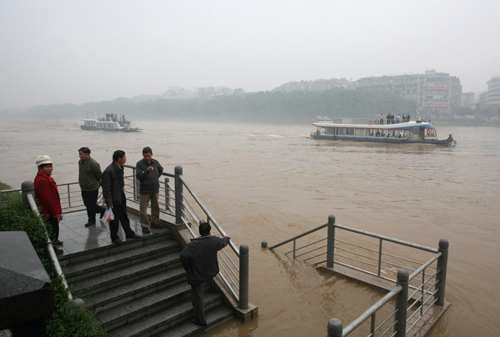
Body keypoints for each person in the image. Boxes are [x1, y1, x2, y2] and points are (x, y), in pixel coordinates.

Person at [180, 222, 231, 326]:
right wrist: (227, 238)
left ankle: (200, 320)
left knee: (197, 296)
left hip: (197, 274)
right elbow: (223, 242)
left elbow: (183, 256)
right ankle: (200, 318)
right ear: (209, 231)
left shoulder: (193, 245)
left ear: (200, 232)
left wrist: (188, 268)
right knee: (198, 294)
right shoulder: (214, 240)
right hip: (210, 271)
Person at [102, 150, 141, 245]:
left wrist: (122, 186)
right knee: (114, 219)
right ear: (119, 159)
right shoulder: (109, 170)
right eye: (124, 157)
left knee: (124, 215)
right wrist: (109, 201)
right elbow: (106, 188)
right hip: (113, 198)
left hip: (120, 195)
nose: (125, 159)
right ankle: (114, 237)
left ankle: (129, 232)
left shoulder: (120, 167)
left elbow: (120, 180)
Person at [34, 155, 63, 247]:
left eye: (51, 166)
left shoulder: (46, 178)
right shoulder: (42, 181)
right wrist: (55, 212)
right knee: (52, 228)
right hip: (48, 212)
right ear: (40, 168)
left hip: (51, 210)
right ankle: (53, 247)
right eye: (47, 167)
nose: (50, 169)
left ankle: (55, 241)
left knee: (54, 228)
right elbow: (48, 199)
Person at [136, 147, 164, 233]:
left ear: (152, 154)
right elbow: (139, 176)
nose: (147, 157)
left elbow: (161, 169)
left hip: (155, 188)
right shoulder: (140, 164)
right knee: (143, 209)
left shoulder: (155, 162)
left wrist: (156, 177)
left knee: (155, 207)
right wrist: (147, 171)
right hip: (145, 190)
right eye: (145, 156)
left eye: (148, 155)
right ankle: (144, 225)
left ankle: (155, 222)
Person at [78, 147, 106, 227]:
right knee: (87, 203)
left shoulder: (93, 164)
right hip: (84, 187)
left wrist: (96, 183)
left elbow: (99, 175)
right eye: (79, 154)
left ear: (87, 154)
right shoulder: (80, 162)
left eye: (81, 154)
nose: (80, 156)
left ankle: (91, 220)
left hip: (92, 188)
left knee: (90, 205)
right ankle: (100, 209)